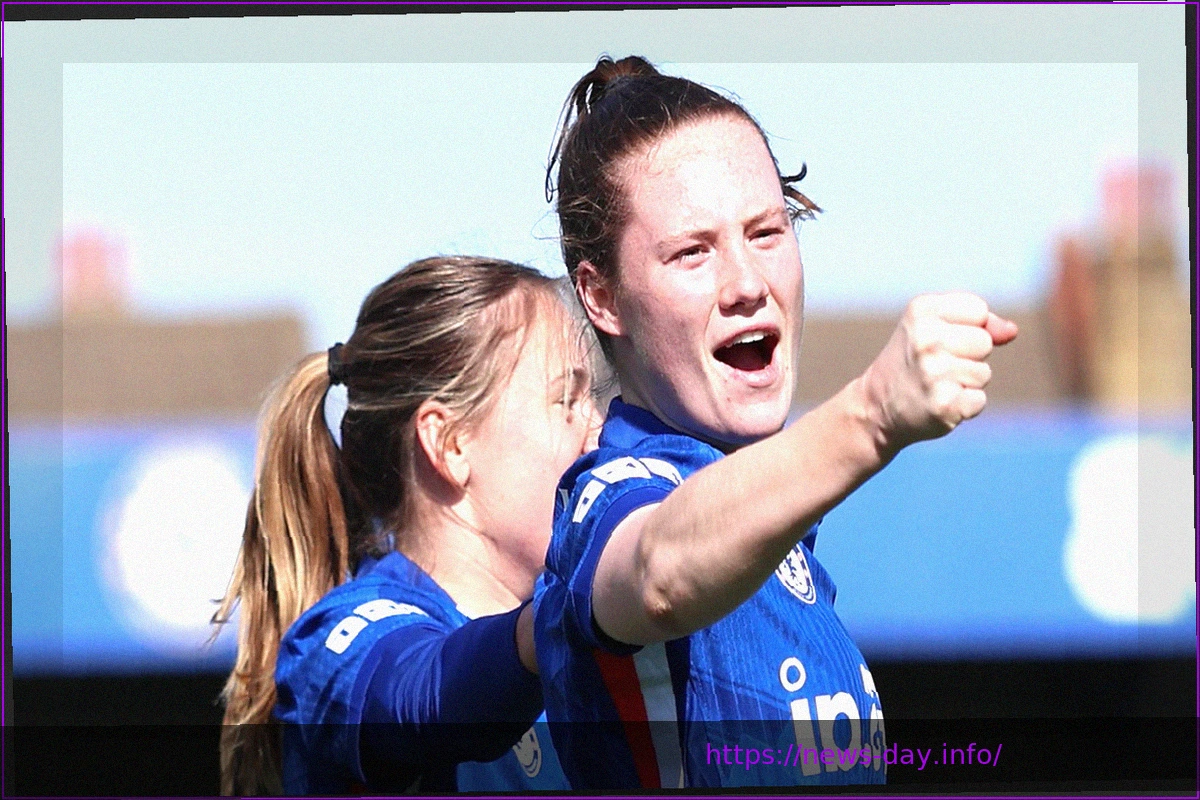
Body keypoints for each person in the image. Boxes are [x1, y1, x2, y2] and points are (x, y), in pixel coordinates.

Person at [534, 56, 1019, 789]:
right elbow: (658, 571)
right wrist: (872, 416)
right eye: (693, 252)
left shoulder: (783, 546)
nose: (748, 285)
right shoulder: (614, 492)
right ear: (600, 296)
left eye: (766, 233)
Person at [211, 256, 599, 794]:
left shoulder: (584, 657)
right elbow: (426, 695)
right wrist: (566, 621)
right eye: (566, 400)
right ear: (450, 444)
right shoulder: (343, 637)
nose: (597, 429)